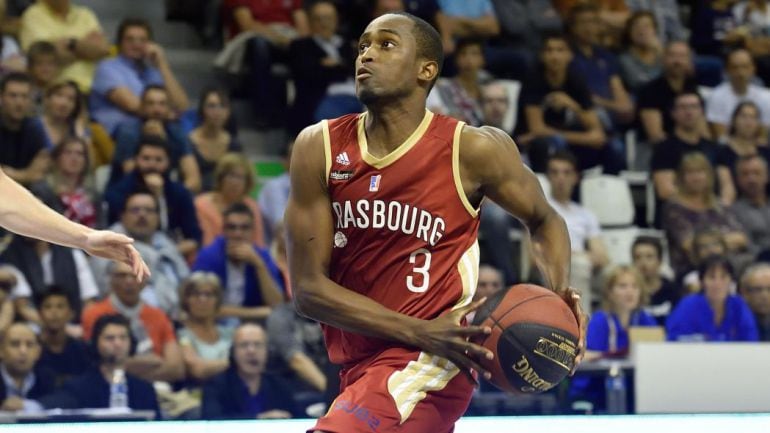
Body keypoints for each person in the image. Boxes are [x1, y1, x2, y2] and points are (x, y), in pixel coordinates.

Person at [285, 12, 584, 433]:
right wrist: (419, 330)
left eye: (386, 44)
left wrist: (558, 297)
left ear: (427, 70)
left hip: (432, 365)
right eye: (363, 46)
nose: (367, 54)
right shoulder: (319, 147)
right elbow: (308, 291)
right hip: (362, 362)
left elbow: (545, 219)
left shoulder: (472, 149)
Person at [81, 261, 185, 383]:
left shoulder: (158, 315)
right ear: (111, 279)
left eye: (135, 275)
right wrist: (153, 361)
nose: (129, 281)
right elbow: (98, 365)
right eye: (122, 275)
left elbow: (176, 369)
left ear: (145, 281)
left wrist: (127, 369)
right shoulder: (93, 314)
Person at [41, 314, 161, 418]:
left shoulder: (145, 390)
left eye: (123, 337)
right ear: (95, 343)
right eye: (110, 338)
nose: (118, 343)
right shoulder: (77, 388)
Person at [92, 191, 189, 315]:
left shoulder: (167, 245)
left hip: (175, 319)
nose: (142, 215)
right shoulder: (107, 244)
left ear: (158, 217)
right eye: (135, 210)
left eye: (149, 210)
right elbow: (101, 291)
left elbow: (186, 283)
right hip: (122, 319)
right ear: (122, 215)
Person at [90, 17, 189, 136]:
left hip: (152, 125)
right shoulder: (107, 67)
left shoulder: (153, 72)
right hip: (119, 129)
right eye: (130, 39)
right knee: (135, 129)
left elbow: (182, 106)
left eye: (142, 40)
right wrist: (166, 114)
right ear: (120, 43)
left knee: (180, 129)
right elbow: (131, 105)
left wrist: (162, 65)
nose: (136, 44)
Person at [104, 135, 202, 254]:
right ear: (136, 159)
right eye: (146, 158)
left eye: (158, 160)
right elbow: (113, 230)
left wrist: (164, 255)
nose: (152, 165)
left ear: (168, 162)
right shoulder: (117, 192)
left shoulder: (180, 193)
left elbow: (194, 238)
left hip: (167, 253)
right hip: (126, 252)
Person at [193, 203, 284, 321]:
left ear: (253, 231)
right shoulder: (209, 256)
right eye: (232, 227)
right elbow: (202, 308)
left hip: (254, 327)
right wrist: (256, 312)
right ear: (223, 231)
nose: (238, 234)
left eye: (244, 228)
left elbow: (277, 304)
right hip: (215, 324)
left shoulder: (262, 256)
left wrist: (259, 265)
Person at [546, 150, 609, 312]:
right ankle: (582, 329)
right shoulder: (541, 209)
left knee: (618, 277)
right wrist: (576, 257)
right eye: (555, 172)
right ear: (548, 177)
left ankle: (613, 329)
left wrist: (583, 257)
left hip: (584, 264)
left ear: (575, 178)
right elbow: (536, 253)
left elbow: (601, 256)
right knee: (580, 266)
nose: (561, 178)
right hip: (552, 267)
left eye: (566, 173)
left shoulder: (586, 214)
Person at [111, 86, 200, 192]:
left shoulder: (176, 131)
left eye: (162, 104)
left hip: (166, 194)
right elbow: (132, 178)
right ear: (142, 107)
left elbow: (194, 180)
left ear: (169, 109)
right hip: (127, 195)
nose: (157, 109)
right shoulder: (128, 132)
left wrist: (177, 197)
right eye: (151, 103)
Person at [201, 322, 295, 419]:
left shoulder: (279, 385)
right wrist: (258, 418)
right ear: (233, 352)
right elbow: (212, 421)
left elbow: (297, 419)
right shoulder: (216, 386)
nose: (251, 351)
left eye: (258, 345)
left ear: (267, 351)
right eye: (244, 345)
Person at [287, 0, 354, 135]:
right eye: (318, 19)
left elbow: (356, 69)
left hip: (358, 97)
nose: (324, 23)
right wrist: (340, 66)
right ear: (310, 22)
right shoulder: (301, 46)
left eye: (328, 18)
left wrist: (331, 66)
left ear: (337, 20)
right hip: (321, 100)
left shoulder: (347, 45)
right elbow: (308, 75)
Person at [18, 0, 110, 93]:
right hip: (55, 92)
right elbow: (43, 57)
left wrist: (71, 44)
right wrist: (85, 48)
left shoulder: (85, 14)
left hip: (92, 90)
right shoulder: (33, 14)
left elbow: (103, 49)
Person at [667, 255, 759, 342]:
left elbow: (750, 340)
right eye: (711, 277)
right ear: (702, 282)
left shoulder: (738, 305)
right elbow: (675, 339)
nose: (717, 283)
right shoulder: (688, 306)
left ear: (731, 280)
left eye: (723, 277)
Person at [651, 92, 720, 204]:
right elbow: (665, 190)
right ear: (673, 113)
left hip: (712, 209)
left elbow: (723, 185)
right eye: (683, 107)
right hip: (678, 211)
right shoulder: (664, 149)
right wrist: (697, 203)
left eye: (694, 107)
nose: (689, 112)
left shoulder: (712, 148)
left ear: (702, 112)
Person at [194, 153, 264, 248]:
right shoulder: (201, 205)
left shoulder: (252, 206)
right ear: (221, 178)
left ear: (247, 183)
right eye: (231, 176)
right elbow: (207, 245)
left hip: (247, 257)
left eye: (240, 177)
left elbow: (258, 244)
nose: (235, 182)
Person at [636, 41, 699, 145]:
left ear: (689, 61)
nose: (677, 61)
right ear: (663, 59)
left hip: (691, 148)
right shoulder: (650, 90)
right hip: (659, 150)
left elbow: (700, 126)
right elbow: (656, 135)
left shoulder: (692, 87)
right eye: (672, 55)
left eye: (682, 56)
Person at [30, 136, 98, 228]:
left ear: (86, 161)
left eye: (80, 154)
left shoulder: (93, 193)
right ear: (57, 158)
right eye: (68, 152)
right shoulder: (42, 190)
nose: (74, 158)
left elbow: (101, 226)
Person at [178, 272, 233, 382]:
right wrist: (235, 363)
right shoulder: (181, 336)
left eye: (209, 294)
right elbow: (198, 369)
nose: (202, 299)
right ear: (186, 300)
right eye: (196, 294)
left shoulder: (231, 333)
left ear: (217, 300)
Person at [706, 49, 770, 141]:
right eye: (735, 67)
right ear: (727, 70)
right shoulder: (717, 96)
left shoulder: (766, 97)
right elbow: (721, 138)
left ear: (753, 69)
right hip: (728, 150)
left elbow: (763, 138)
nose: (740, 72)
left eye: (745, 67)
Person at [0, 72, 50, 185]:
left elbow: (41, 167)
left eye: (24, 96)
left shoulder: (34, 128)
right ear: (1, 98)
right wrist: (26, 175)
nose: (19, 103)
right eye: (13, 96)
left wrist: (16, 175)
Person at [188, 88, 242, 192]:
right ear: (201, 110)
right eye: (211, 106)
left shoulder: (234, 145)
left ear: (229, 112)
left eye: (222, 106)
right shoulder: (187, 141)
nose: (217, 111)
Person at [716, 102, 770, 205]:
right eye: (743, 117)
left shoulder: (766, 151)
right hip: (737, 204)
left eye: (753, 117)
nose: (748, 122)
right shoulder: (722, 152)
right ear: (734, 120)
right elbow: (727, 188)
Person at [429, 38, 490, 126]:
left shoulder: (490, 86)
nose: (468, 60)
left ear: (483, 59)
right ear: (456, 59)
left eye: (474, 54)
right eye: (463, 54)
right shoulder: (444, 87)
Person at [36, 287, 89, 386]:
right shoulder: (32, 348)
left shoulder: (82, 349)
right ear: (39, 314)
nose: (54, 312)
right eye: (47, 307)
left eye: (60, 306)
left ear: (71, 314)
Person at [0, 323, 53, 413]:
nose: (23, 351)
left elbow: (63, 399)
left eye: (29, 345)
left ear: (38, 352)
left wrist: (27, 405)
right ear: (1, 350)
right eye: (15, 344)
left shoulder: (47, 377)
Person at [631, 236, 680, 325]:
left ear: (660, 260)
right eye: (638, 257)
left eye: (649, 257)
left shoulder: (673, 290)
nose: (643, 263)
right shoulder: (628, 291)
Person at [731, 154, 770, 256]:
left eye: (757, 173)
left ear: (766, 176)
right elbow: (748, 247)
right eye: (745, 174)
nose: (751, 179)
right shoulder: (733, 212)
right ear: (738, 179)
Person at [618, 11, 663, 94]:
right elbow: (639, 84)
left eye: (647, 26)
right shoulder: (624, 59)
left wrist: (661, 52)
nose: (641, 30)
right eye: (636, 26)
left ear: (655, 31)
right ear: (630, 32)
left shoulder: (661, 53)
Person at [739, 263, 770, 341]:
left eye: (769, 289)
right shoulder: (736, 322)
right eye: (757, 289)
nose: (765, 296)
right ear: (744, 293)